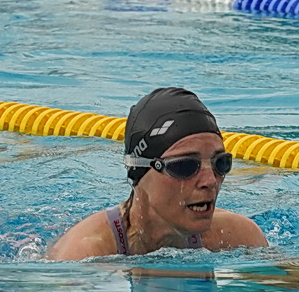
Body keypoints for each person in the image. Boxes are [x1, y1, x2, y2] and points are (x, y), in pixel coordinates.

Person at [48, 87, 267, 259]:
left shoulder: (239, 236)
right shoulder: (85, 253)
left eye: (220, 163)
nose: (210, 181)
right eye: (184, 166)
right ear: (139, 172)